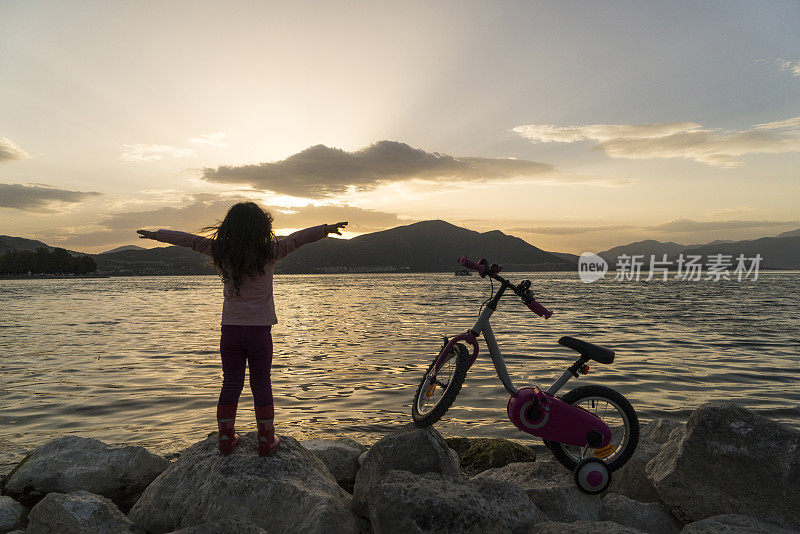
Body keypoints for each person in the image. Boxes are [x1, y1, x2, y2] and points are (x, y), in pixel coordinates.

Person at [137, 202, 347, 456]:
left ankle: (226, 439)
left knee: (231, 383)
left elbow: (189, 240)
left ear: (230, 227)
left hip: (231, 332)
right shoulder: (269, 251)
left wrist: (157, 235)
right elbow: (296, 239)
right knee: (261, 383)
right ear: (262, 226)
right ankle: (266, 440)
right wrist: (324, 229)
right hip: (260, 332)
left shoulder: (222, 251)